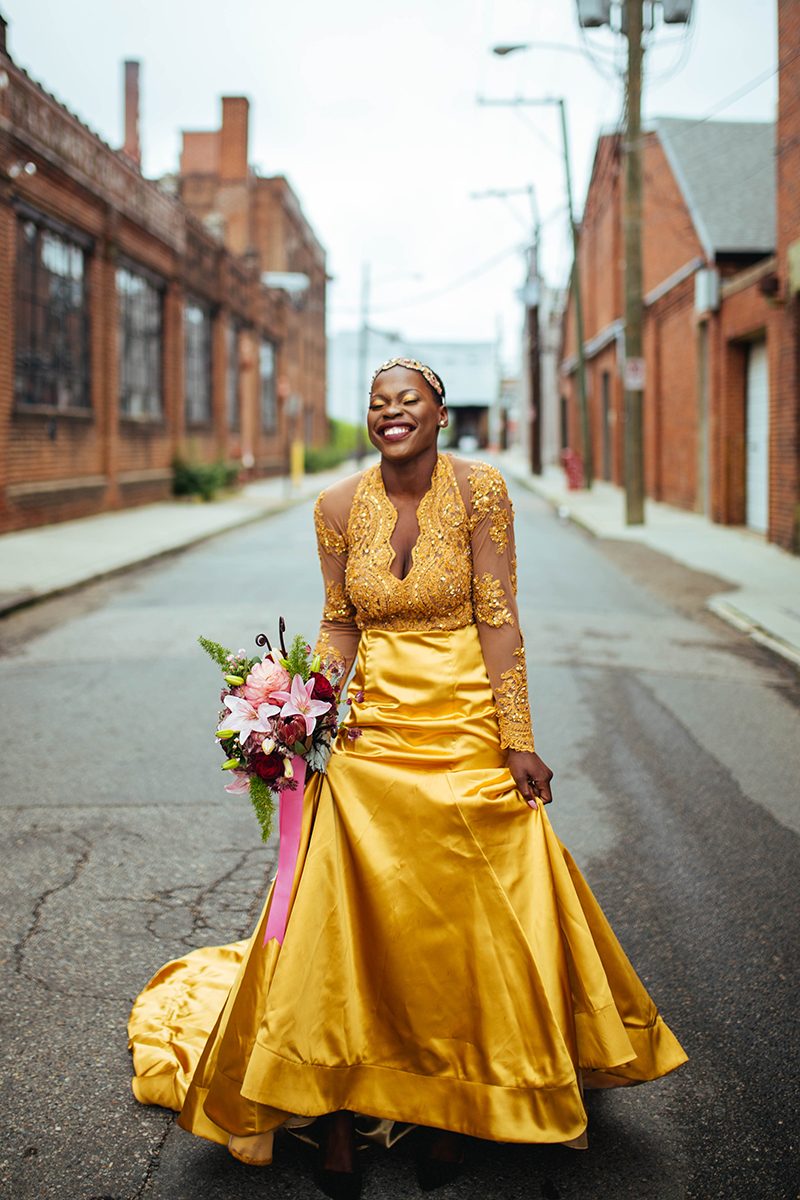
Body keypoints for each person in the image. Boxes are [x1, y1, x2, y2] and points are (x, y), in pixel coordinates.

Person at [129, 357, 687, 1198]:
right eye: (378, 404)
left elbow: (499, 616)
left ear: (438, 414)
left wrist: (517, 740)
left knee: (459, 923)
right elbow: (340, 624)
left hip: (464, 729)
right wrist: (302, 710)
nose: (392, 414)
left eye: (409, 402)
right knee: (346, 915)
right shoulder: (333, 507)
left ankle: (446, 1108)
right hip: (370, 733)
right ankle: (343, 1115)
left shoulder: (484, 491)